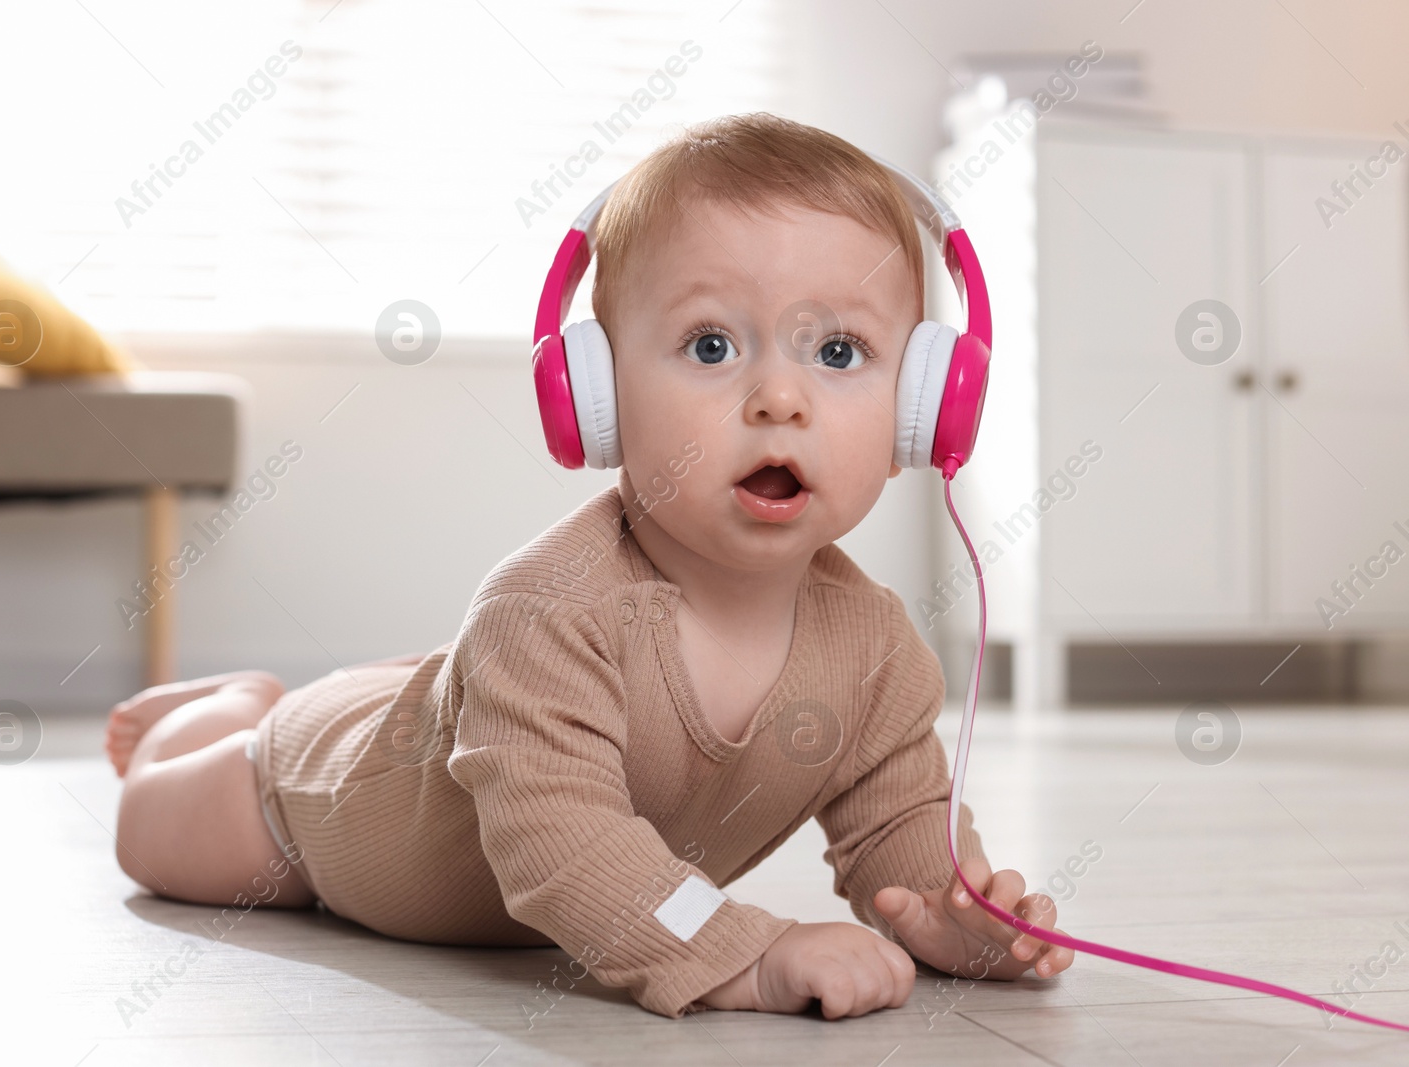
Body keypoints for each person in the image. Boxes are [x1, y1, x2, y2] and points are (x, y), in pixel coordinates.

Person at [103, 112, 1074, 1021]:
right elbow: (561, 849)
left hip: (469, 698)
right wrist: (742, 951)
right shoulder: (545, 611)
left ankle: (413, 687)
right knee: (154, 832)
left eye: (837, 348)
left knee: (464, 690)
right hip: (322, 807)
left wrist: (943, 909)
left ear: (923, 404)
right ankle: (233, 712)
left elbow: (895, 817)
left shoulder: (875, 651)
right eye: (709, 344)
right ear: (595, 394)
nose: (779, 395)